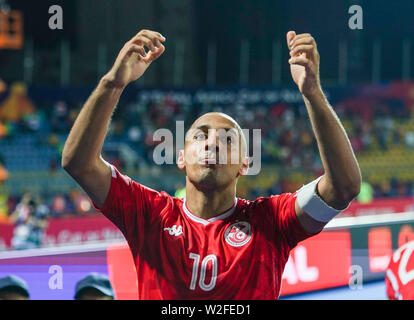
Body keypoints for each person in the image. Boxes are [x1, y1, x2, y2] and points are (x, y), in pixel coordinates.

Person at [62, 30, 361, 299]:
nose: (213, 144)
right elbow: (79, 163)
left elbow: (343, 187)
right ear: (181, 157)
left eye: (228, 139)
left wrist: (313, 93)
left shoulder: (271, 222)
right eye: (200, 136)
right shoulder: (149, 214)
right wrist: (112, 83)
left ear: (244, 164)